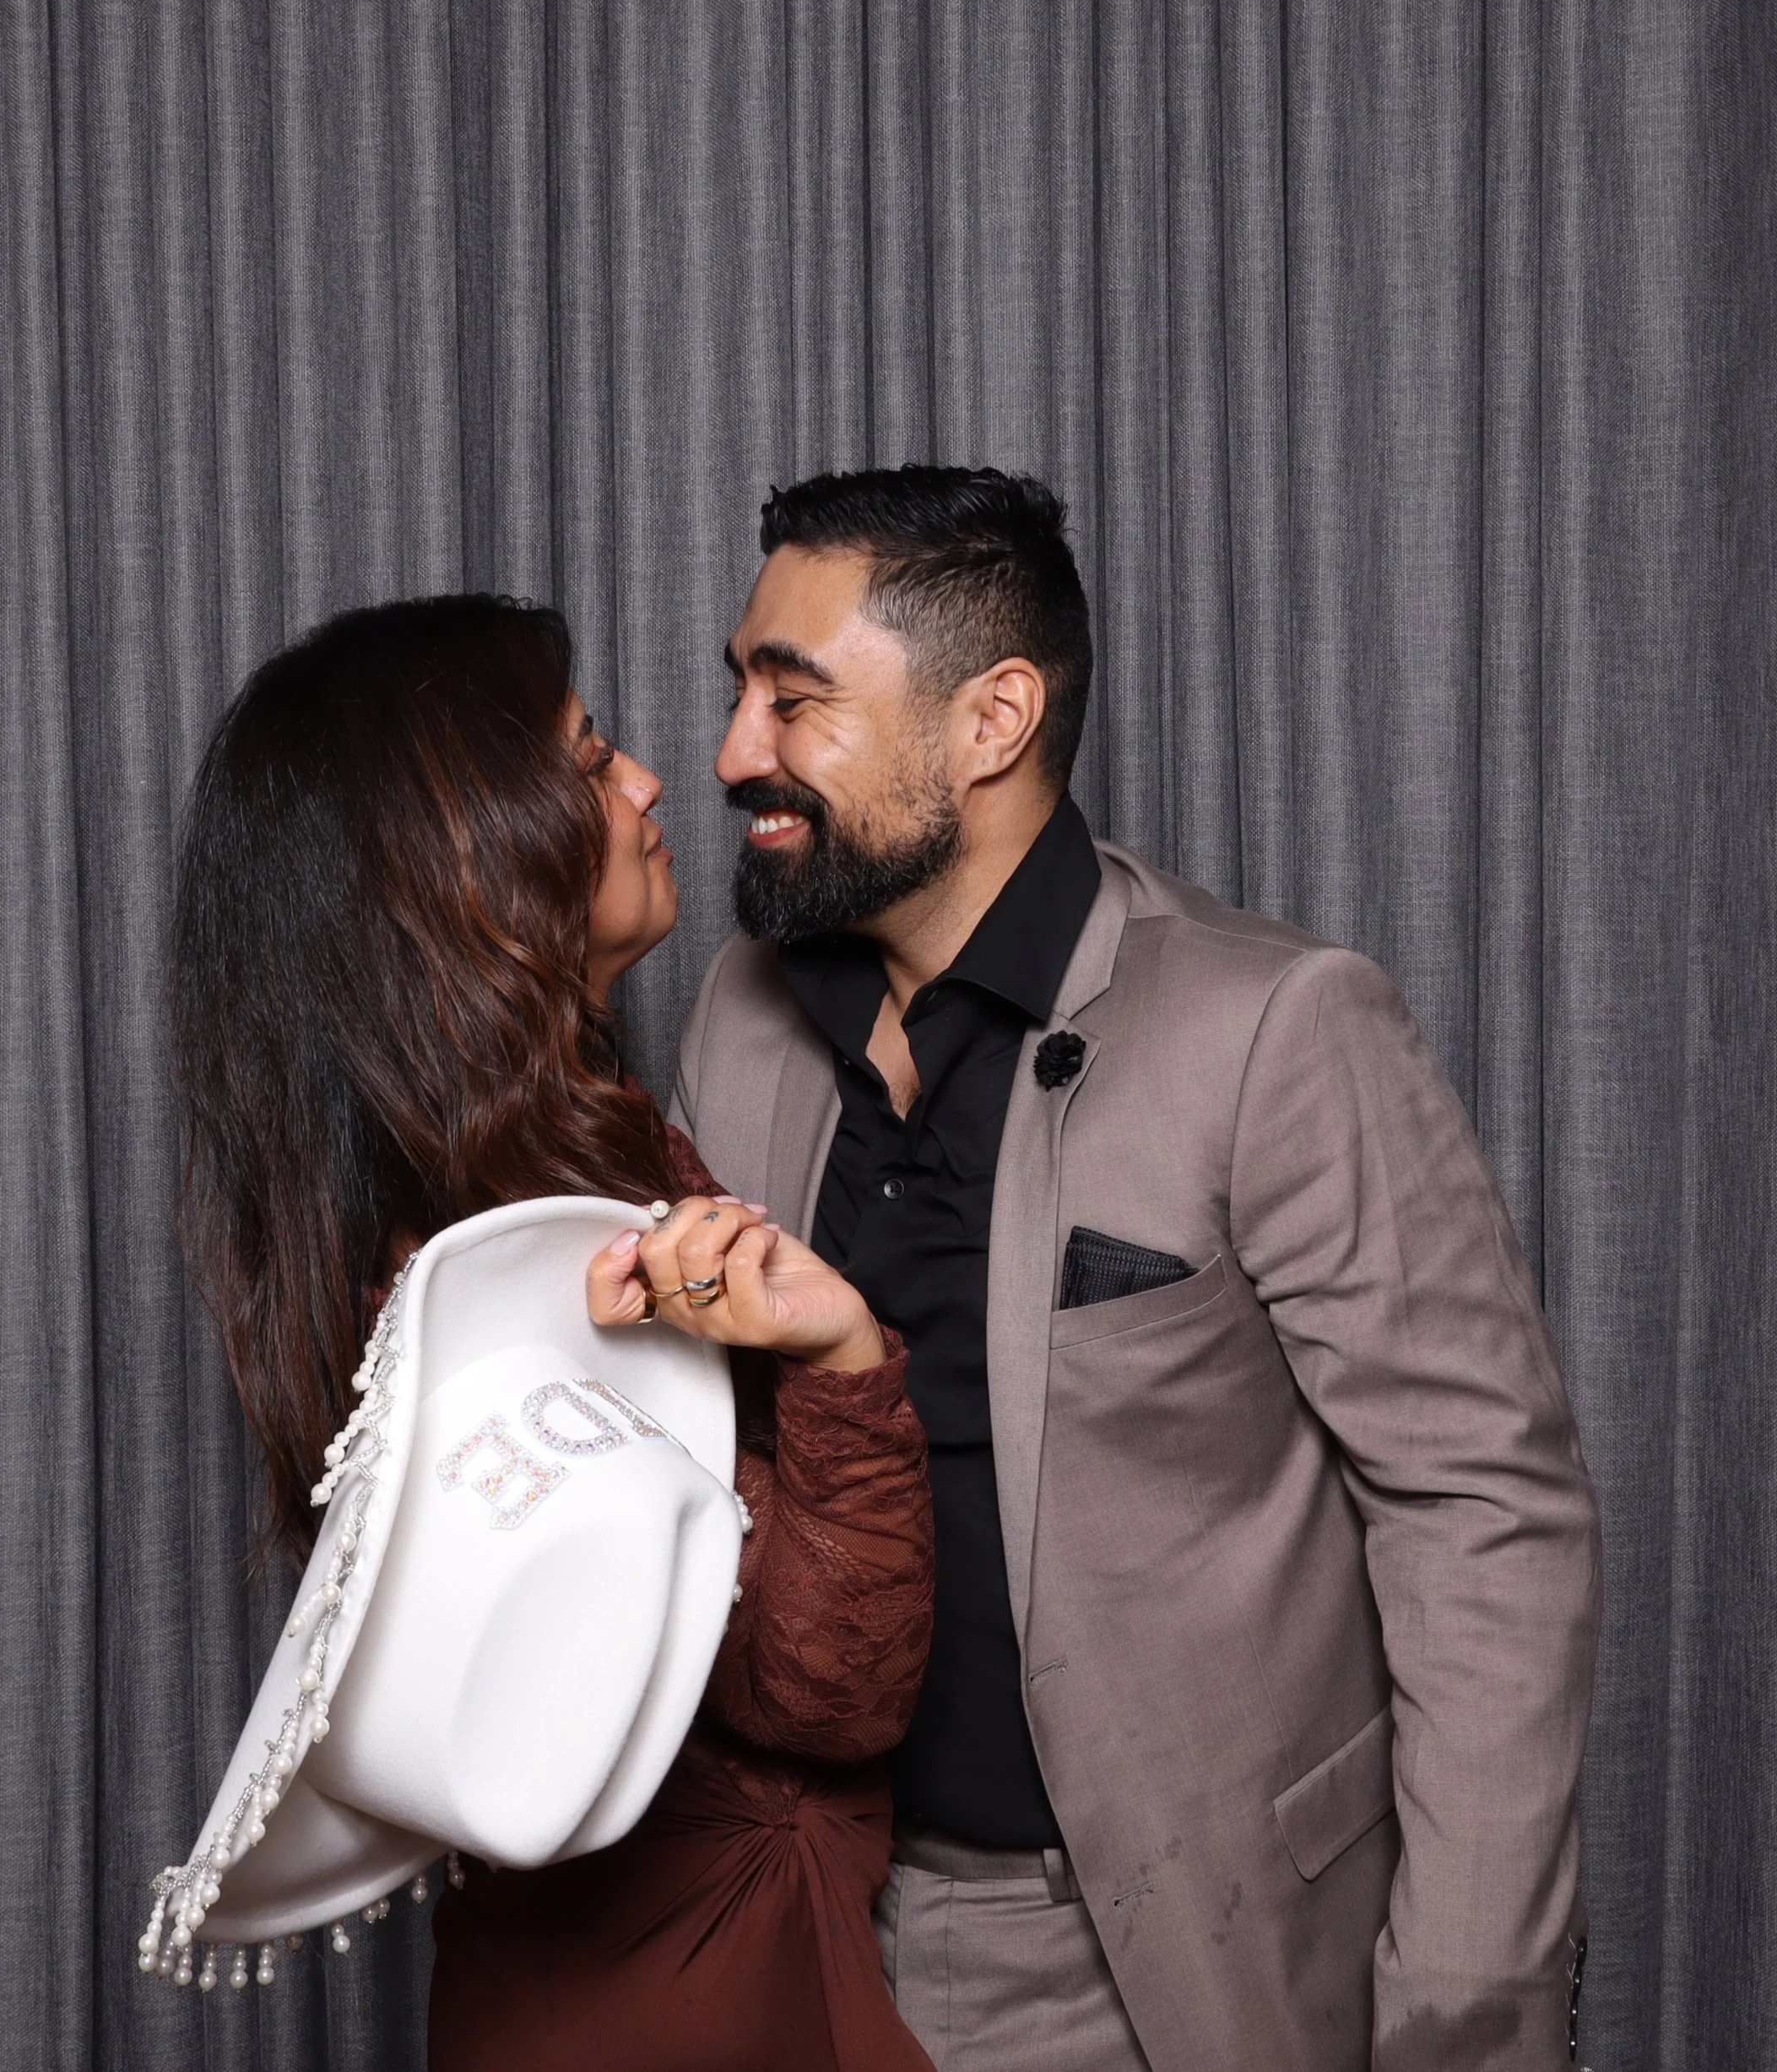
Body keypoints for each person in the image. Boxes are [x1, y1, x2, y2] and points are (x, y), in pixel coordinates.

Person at [669, 466, 1603, 2072]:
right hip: (796, 1913)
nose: (737, 750)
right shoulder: (744, 1020)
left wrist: (1467, 2014)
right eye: (742, 690)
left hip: (1154, 1957)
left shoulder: (1279, 1030)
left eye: (794, 696)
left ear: (994, 720)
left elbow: (1485, 1522)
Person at [168, 594, 935, 2072]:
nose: (651, 782)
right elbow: (827, 1686)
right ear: (464, 867)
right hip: (692, 2014)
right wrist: (839, 1358)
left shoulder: (544, 1175)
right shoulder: (511, 1272)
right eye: (591, 760)